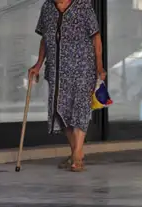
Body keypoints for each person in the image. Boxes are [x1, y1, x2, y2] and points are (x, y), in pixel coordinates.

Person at [28, 0, 106, 172]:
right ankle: (76, 153)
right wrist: (38, 64)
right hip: (57, 71)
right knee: (60, 111)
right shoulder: (47, 7)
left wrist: (99, 66)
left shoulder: (83, 6)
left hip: (82, 68)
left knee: (80, 110)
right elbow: (46, 38)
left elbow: (96, 37)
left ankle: (77, 156)